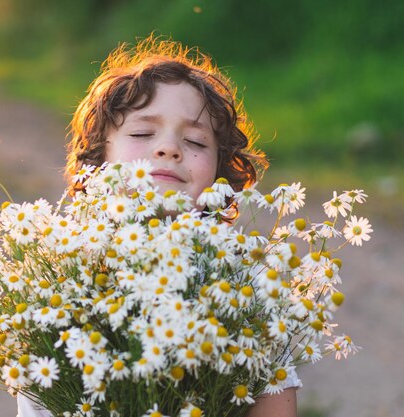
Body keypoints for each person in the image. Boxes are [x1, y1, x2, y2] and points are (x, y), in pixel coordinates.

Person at [17, 35, 300, 417]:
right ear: (99, 161)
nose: (169, 148)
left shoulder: (247, 290)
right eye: (142, 133)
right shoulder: (64, 288)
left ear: (220, 172)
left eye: (196, 141)